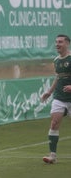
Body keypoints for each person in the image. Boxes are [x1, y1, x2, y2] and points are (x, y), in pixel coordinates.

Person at [41, 34, 71, 164]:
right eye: (56, 42)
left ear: (67, 44)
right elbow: (57, 77)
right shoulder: (56, 60)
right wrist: (49, 91)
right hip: (59, 97)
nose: (57, 44)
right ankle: (52, 156)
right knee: (54, 123)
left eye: (60, 42)